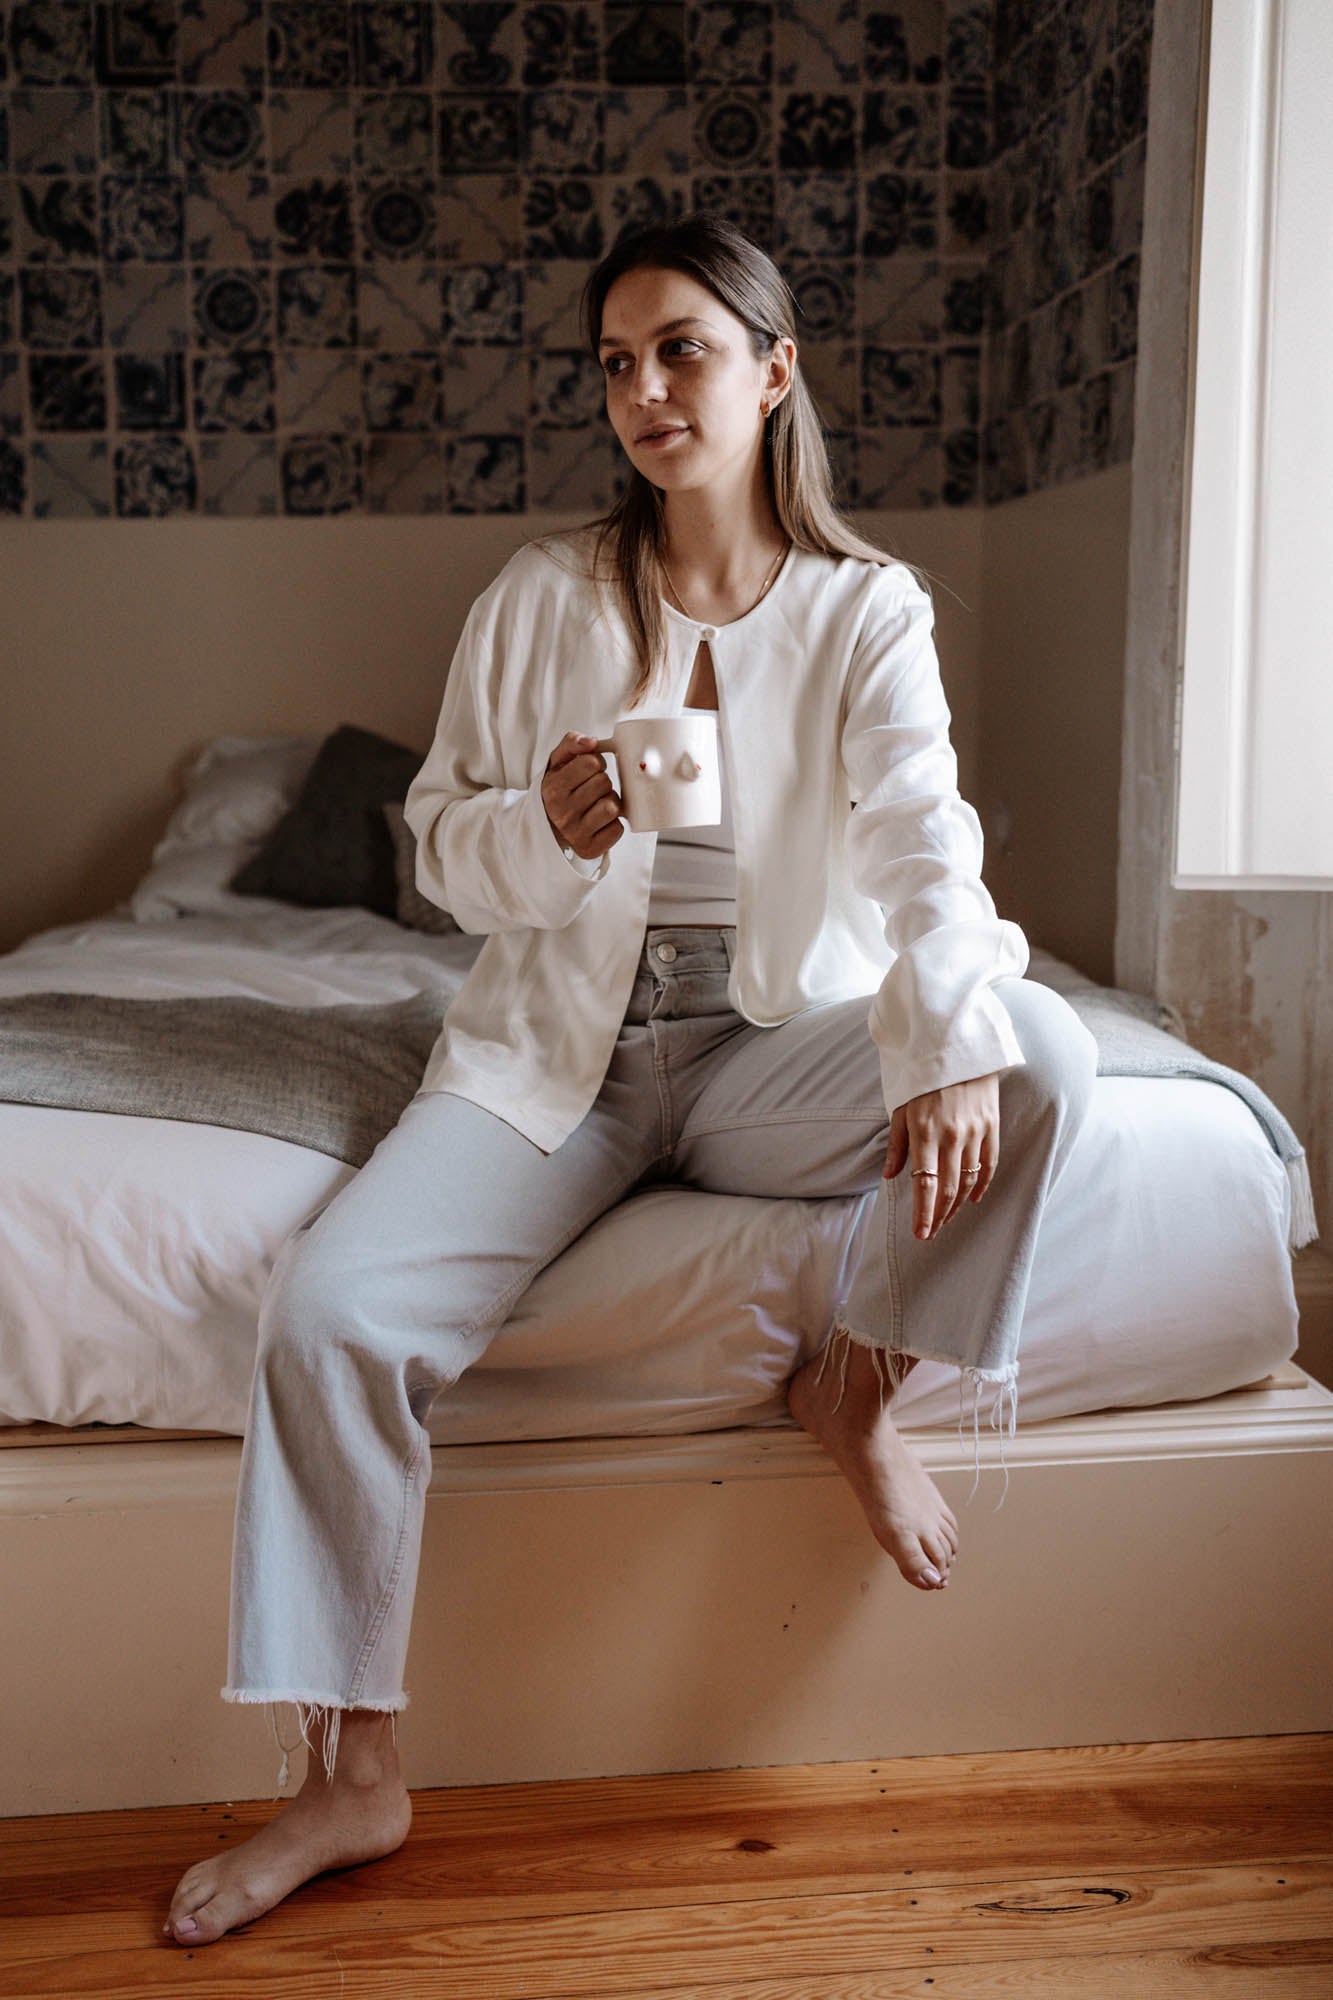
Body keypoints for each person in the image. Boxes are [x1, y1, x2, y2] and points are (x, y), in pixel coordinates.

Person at [164, 213, 1098, 1947]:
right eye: (615, 363)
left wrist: (949, 1038)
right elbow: (438, 850)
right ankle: (349, 1771)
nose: (646, 390)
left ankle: (860, 1391)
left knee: (1040, 1052)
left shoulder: (866, 610)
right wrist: (546, 826)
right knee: (335, 1317)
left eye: (680, 348)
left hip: (766, 1048)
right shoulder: (537, 598)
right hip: (555, 1061)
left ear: (772, 367)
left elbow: (923, 851)